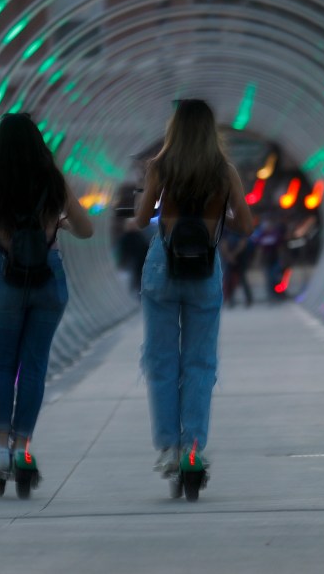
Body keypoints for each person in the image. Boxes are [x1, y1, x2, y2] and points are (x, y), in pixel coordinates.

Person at [0, 113, 94, 479]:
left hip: (7, 276)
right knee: (33, 367)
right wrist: (58, 222)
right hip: (49, 278)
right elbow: (86, 229)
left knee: (2, 366)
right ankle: (22, 450)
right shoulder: (52, 179)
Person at [134, 98, 253, 478]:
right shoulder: (224, 171)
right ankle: (192, 448)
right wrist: (218, 217)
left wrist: (151, 199)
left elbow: (140, 220)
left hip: (162, 265)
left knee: (161, 360)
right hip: (204, 267)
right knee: (200, 363)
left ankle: (169, 446)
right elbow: (246, 225)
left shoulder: (161, 167)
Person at [116, 218, 151, 294]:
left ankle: (136, 290)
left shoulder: (138, 236)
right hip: (135, 263)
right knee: (135, 278)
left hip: (139, 262)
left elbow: (145, 247)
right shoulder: (128, 238)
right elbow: (124, 251)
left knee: (137, 279)